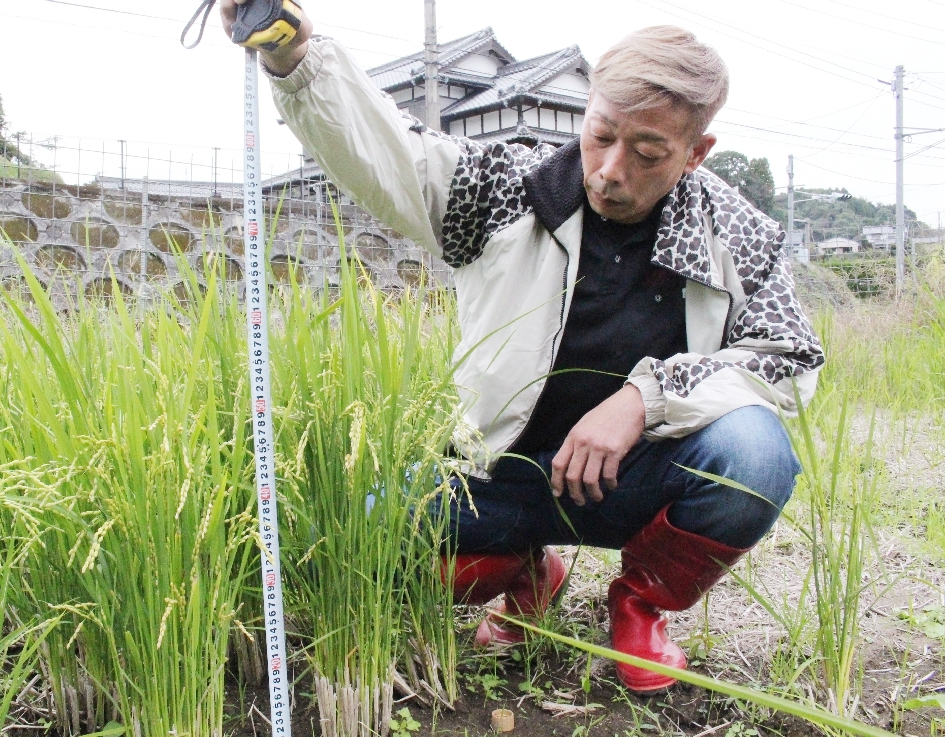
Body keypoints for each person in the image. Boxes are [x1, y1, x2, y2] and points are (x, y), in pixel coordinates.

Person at [220, 1, 823, 694]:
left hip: (641, 478)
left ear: (695, 153)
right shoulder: (509, 190)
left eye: (649, 152)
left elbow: (787, 357)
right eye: (601, 136)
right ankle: (529, 571)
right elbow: (395, 151)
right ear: (588, 111)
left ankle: (642, 602)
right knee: (366, 524)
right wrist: (296, 59)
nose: (610, 171)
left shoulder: (735, 233)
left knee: (754, 456)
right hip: (495, 473)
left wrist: (643, 398)